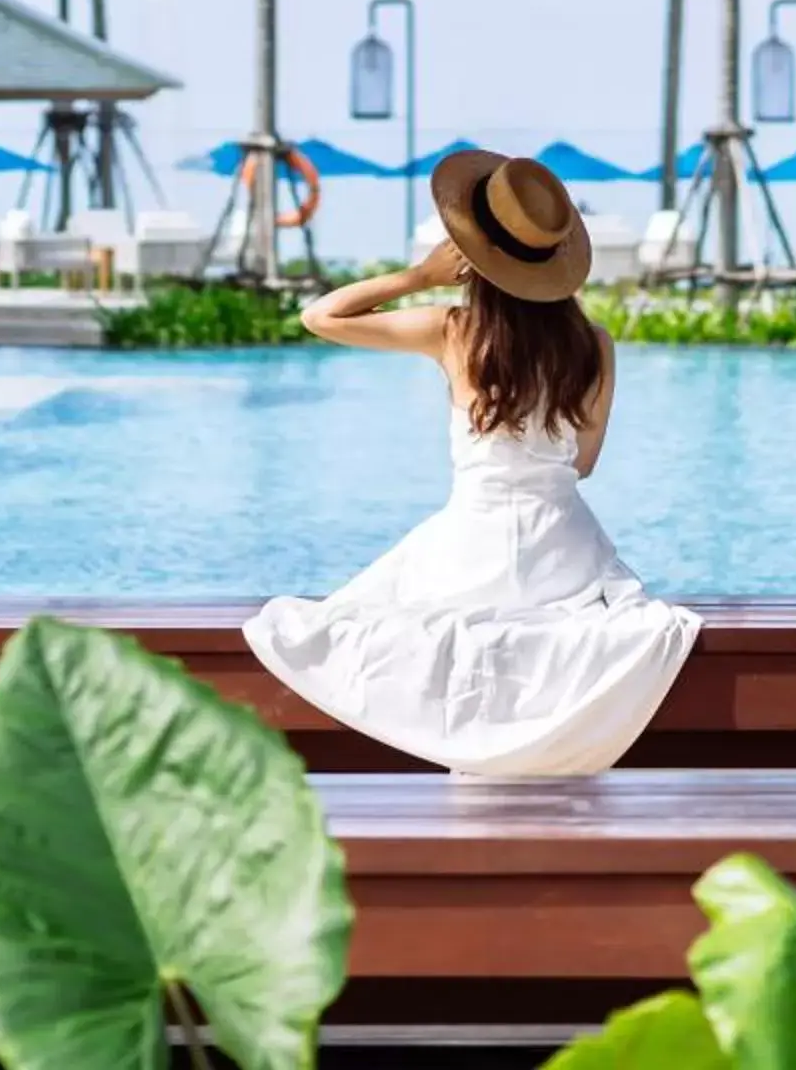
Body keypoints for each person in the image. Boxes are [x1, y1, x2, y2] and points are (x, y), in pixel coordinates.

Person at [243, 148, 701, 776]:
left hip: (466, 544)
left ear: (474, 256)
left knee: (348, 627)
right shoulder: (594, 344)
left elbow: (319, 316)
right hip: (564, 550)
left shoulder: (453, 330)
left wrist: (418, 276)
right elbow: (584, 463)